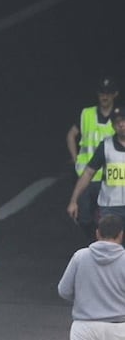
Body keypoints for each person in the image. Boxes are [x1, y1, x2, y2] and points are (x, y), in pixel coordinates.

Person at [67, 76, 119, 236]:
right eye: (102, 92)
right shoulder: (87, 114)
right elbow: (71, 135)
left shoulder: (119, 118)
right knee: (85, 219)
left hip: (108, 178)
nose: (105, 96)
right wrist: (76, 158)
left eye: (108, 93)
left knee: (109, 219)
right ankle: (94, 241)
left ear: (115, 94)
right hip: (86, 175)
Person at [69, 107, 125, 227]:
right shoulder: (105, 146)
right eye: (117, 121)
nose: (121, 124)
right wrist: (74, 200)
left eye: (124, 120)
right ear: (113, 125)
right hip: (110, 208)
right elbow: (88, 173)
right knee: (110, 244)